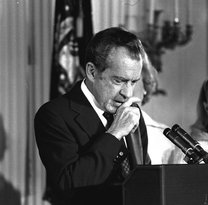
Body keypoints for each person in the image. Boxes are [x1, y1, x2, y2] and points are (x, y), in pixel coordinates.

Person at [34, 27, 151, 205]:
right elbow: (69, 183)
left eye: (133, 82)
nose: (127, 93)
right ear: (92, 72)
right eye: (118, 81)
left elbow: (143, 175)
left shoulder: (132, 112)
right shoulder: (54, 115)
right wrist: (115, 133)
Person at [133, 50, 175, 165]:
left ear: (145, 85)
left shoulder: (166, 137)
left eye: (133, 81)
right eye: (119, 81)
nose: (126, 90)